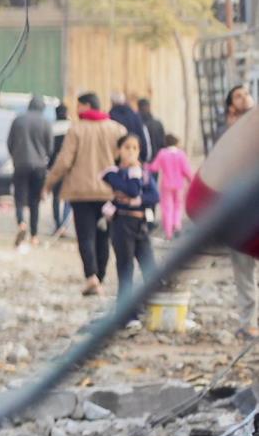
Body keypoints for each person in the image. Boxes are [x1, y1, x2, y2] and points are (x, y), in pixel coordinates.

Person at [46, 92, 125, 295]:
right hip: (107, 192)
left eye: (79, 106)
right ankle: (100, 277)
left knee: (86, 236)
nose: (76, 110)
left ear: (87, 106)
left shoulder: (77, 129)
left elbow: (64, 161)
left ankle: (91, 277)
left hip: (81, 193)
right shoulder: (116, 129)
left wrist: (48, 184)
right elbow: (123, 158)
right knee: (103, 236)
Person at [102, 133, 158, 318]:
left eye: (135, 148)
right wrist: (134, 177)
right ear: (119, 151)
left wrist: (137, 200)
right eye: (127, 147)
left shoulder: (146, 173)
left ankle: (150, 307)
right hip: (122, 223)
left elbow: (154, 196)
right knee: (126, 269)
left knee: (149, 266)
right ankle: (127, 314)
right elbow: (132, 190)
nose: (131, 152)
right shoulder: (113, 173)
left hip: (140, 223)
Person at [222, 87, 258, 338]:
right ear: (230, 108)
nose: (244, 96)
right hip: (242, 214)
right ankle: (249, 322)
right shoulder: (228, 135)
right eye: (237, 95)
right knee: (244, 271)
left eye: (246, 92)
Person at [7, 95, 54, 250]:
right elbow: (50, 148)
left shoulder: (18, 120)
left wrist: (16, 156)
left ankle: (21, 222)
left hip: (20, 164)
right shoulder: (46, 123)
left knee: (19, 197)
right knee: (35, 201)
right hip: (39, 166)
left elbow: (10, 142)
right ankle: (34, 235)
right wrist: (43, 158)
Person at [149, 133, 194, 238]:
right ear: (176, 143)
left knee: (167, 208)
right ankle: (177, 225)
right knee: (178, 206)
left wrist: (147, 166)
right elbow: (186, 170)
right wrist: (191, 180)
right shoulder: (181, 154)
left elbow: (154, 167)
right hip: (179, 184)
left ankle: (168, 232)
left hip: (166, 184)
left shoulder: (162, 153)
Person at [49, 102, 72, 237]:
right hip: (69, 168)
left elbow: (49, 149)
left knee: (56, 197)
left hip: (55, 167)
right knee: (68, 198)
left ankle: (57, 224)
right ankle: (64, 225)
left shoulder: (52, 127)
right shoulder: (71, 127)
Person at [108, 92, 148, 157]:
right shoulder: (135, 115)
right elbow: (142, 135)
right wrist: (143, 156)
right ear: (124, 101)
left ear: (112, 102)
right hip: (135, 154)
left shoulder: (110, 116)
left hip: (117, 157)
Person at [138, 97, 167, 164]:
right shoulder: (157, 123)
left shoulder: (139, 124)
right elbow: (163, 143)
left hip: (148, 159)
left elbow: (163, 142)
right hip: (151, 159)